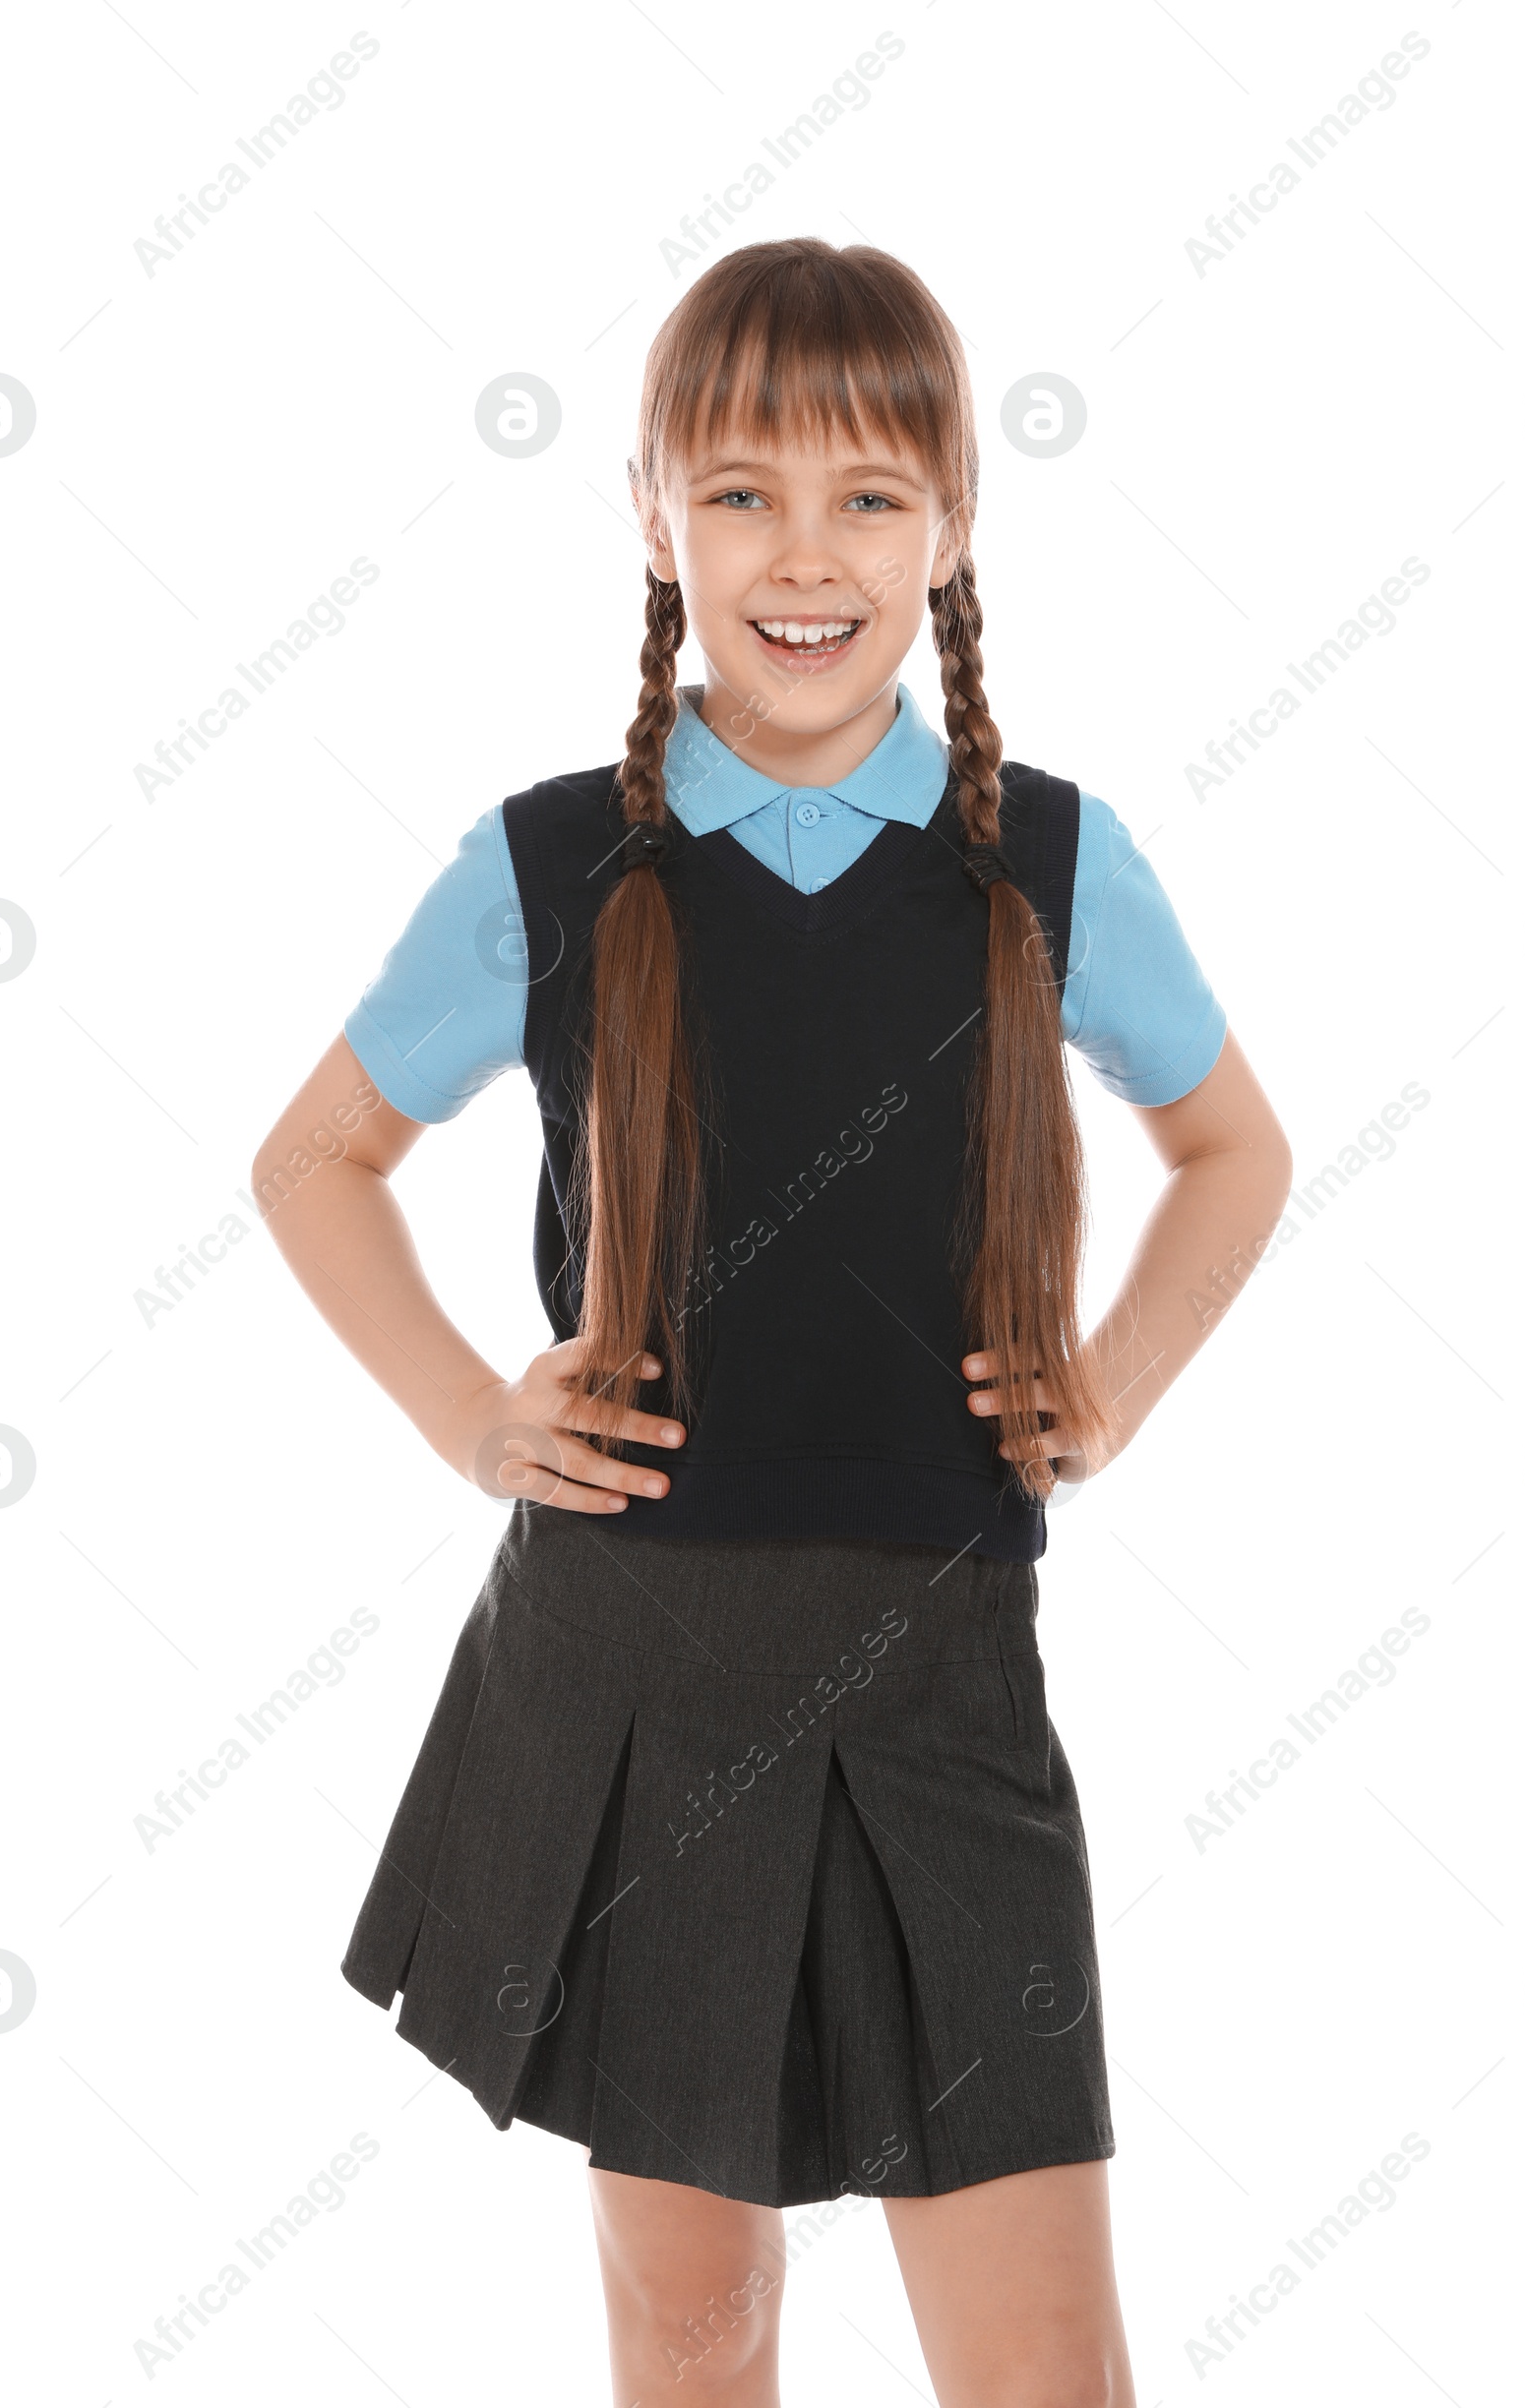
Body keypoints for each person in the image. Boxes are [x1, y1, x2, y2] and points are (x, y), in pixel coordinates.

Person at [254, 236, 1293, 2408]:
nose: (800, 555)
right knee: (690, 2317)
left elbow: (1234, 1150)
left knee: (1045, 2370)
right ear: (646, 513)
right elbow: (314, 1163)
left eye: (864, 495)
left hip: (942, 1676)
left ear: (952, 523)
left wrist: (1110, 1383)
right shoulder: (550, 864)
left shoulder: (1043, 867)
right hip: (628, 1674)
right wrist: (472, 1415)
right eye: (736, 492)